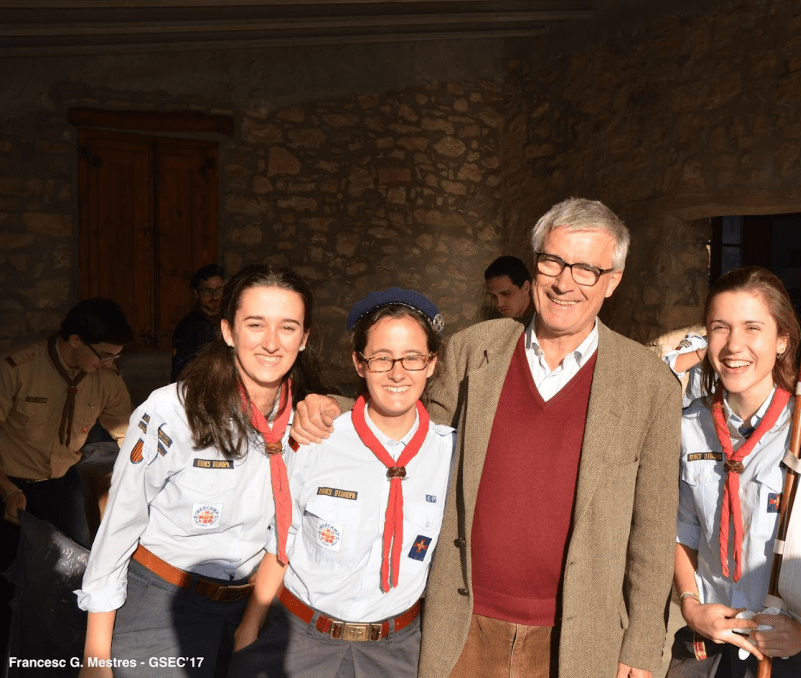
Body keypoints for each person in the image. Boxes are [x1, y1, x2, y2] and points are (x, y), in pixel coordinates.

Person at [294, 198, 682, 678]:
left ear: (612, 281)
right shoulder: (475, 351)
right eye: (553, 262)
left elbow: (655, 528)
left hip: (576, 637)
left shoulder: (649, 384)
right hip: (464, 626)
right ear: (535, 265)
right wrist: (330, 404)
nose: (564, 282)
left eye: (586, 269)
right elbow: (406, 421)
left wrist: (642, 645)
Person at [76, 264, 329, 678]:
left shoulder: (306, 422)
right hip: (161, 604)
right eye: (255, 324)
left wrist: (251, 627)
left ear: (304, 339)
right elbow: (119, 524)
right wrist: (96, 656)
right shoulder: (172, 411)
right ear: (228, 331)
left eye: (287, 328)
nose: (270, 343)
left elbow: (289, 527)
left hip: (252, 608)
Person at [229, 288, 454, 678]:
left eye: (413, 359)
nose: (397, 373)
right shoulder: (318, 438)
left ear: (431, 364)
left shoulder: (450, 454)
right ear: (359, 363)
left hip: (396, 653)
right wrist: (248, 632)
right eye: (381, 358)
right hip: (300, 641)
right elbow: (282, 538)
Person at [670, 266, 801, 677]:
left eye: (752, 328)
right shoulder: (688, 428)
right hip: (709, 642)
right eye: (720, 327)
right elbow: (682, 530)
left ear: (782, 340)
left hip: (791, 648)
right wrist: (691, 605)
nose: (734, 345)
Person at [1, 298, 133, 545]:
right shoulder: (16, 369)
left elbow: (127, 432)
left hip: (62, 485)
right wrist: (8, 489)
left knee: (73, 567)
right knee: (10, 572)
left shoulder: (107, 378)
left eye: (115, 357)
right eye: (104, 355)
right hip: (9, 485)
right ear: (75, 340)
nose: (108, 363)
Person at [171, 264, 224, 381]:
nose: (214, 296)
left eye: (219, 290)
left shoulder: (232, 320)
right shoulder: (188, 327)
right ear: (196, 293)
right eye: (208, 291)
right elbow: (181, 372)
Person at [484, 255, 533, 320]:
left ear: (526, 287)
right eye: (494, 296)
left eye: (505, 294)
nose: (499, 304)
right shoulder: (500, 323)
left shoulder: (543, 321)